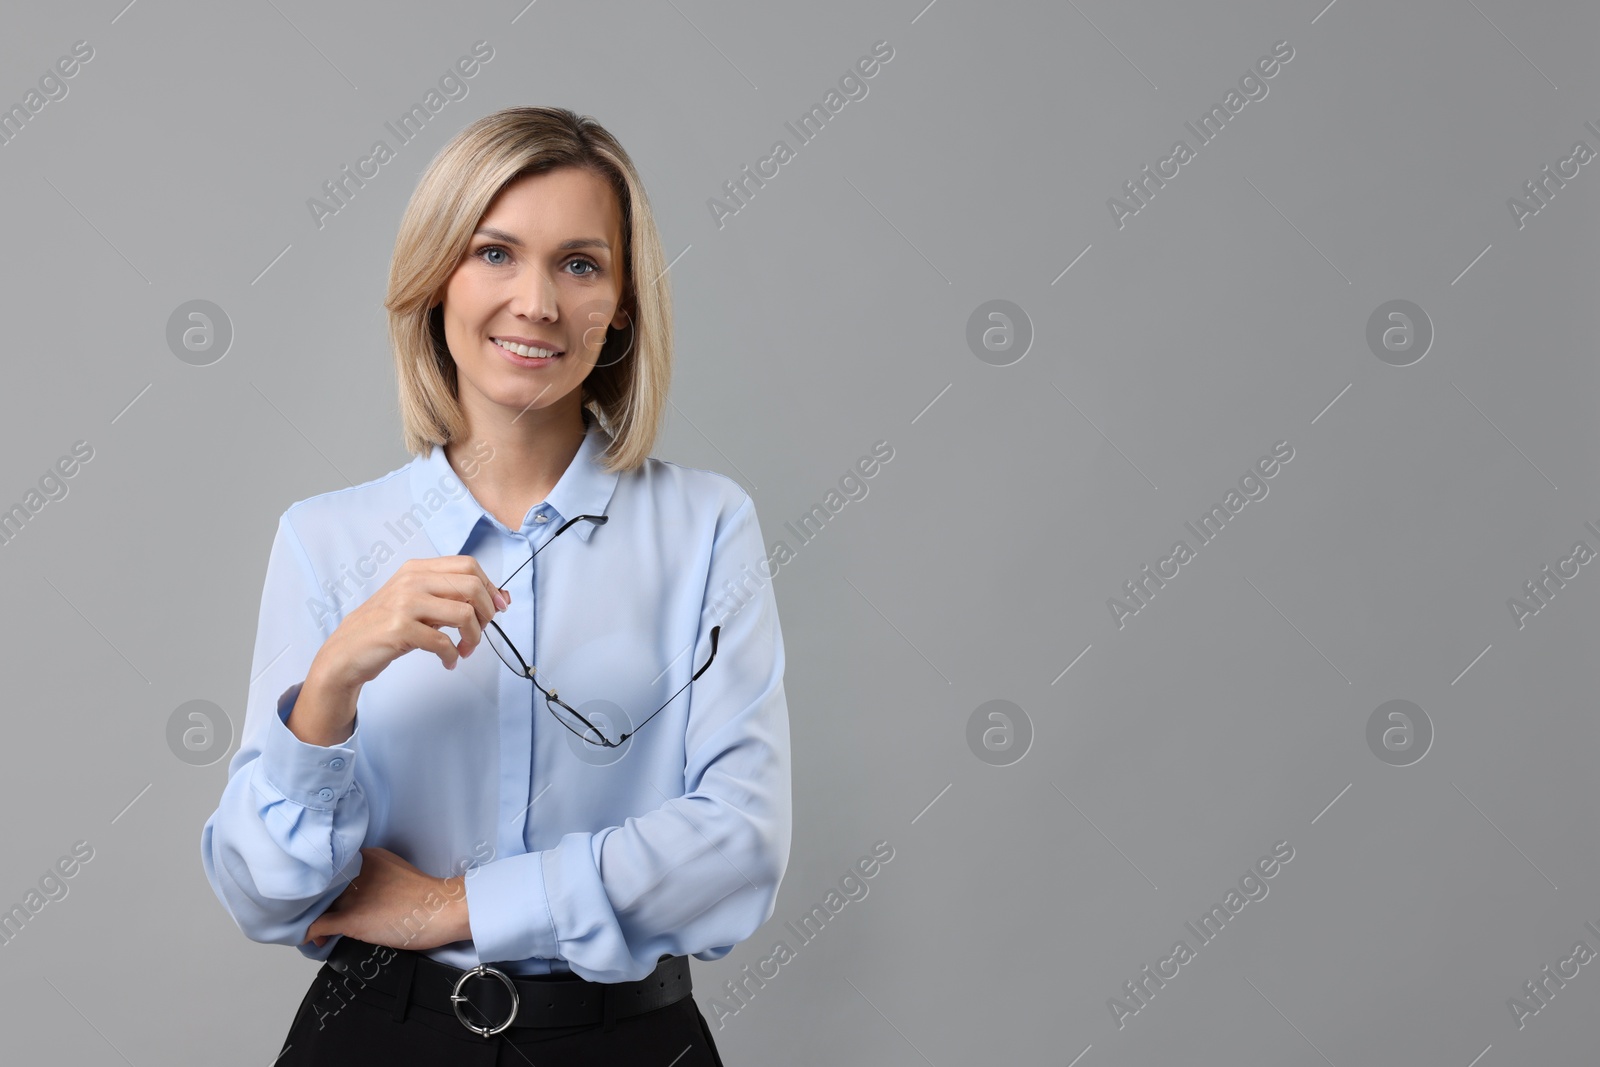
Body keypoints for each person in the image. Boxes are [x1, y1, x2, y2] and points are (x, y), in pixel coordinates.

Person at [199, 105, 791, 1065]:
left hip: (627, 1040)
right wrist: (330, 686)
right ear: (437, 281)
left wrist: (452, 908)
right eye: (494, 254)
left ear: (625, 304)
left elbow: (740, 847)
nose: (537, 303)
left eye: (580, 263)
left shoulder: (707, 528)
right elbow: (266, 895)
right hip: (377, 1035)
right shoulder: (326, 538)